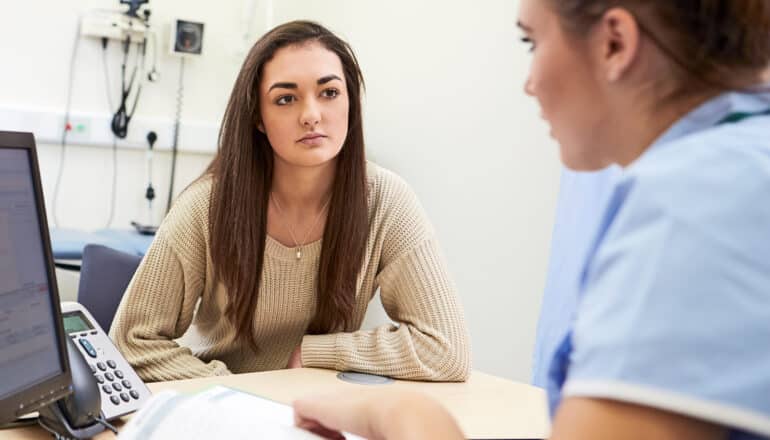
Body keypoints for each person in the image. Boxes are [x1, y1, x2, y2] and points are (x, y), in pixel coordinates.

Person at [293, 1, 770, 439]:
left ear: (614, 43)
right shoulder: (740, 163)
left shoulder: (692, 203)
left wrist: (402, 415)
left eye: (532, 41)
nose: (529, 84)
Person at [109, 20, 470, 383]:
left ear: (351, 102)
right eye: (286, 99)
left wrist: (317, 352)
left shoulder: (386, 200)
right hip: (224, 405)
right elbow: (130, 344)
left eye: (329, 92)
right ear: (258, 117)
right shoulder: (206, 206)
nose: (311, 115)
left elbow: (445, 349)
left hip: (320, 407)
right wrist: (232, 390)